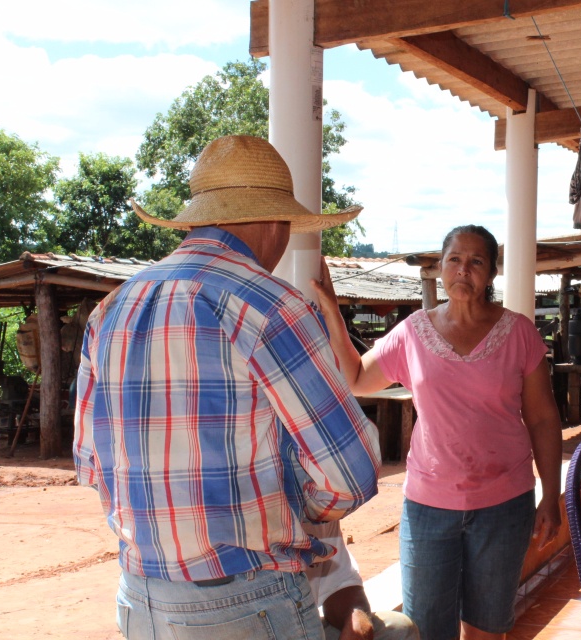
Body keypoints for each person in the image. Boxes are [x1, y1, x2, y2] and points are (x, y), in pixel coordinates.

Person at [73, 135, 382, 640]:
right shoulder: (271, 306)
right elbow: (351, 472)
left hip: (140, 598)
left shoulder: (113, 308)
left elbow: (91, 462)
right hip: (247, 600)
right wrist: (290, 506)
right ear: (273, 221)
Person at [312, 225, 563, 640]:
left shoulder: (518, 332)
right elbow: (355, 377)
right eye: (454, 260)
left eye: (476, 261)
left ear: (491, 274)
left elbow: (542, 419)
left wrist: (550, 494)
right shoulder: (413, 332)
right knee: (425, 629)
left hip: (504, 503)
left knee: (486, 629)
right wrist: (333, 312)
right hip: (429, 506)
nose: (464, 269)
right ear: (441, 268)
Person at [304, 521, 419, 640]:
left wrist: (357, 624)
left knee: (399, 630)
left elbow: (341, 586)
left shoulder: (318, 515)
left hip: (307, 629)